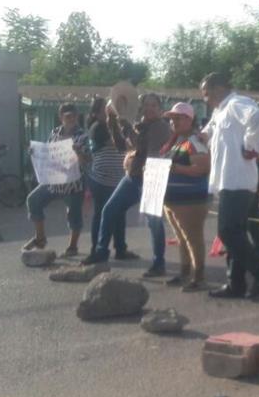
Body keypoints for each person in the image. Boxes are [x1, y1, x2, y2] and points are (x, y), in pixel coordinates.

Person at [200, 72, 259, 299]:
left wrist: (250, 147)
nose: (204, 98)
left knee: (227, 231)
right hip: (226, 180)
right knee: (236, 233)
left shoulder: (236, 103)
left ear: (218, 88)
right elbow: (210, 130)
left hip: (238, 181)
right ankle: (236, 284)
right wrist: (201, 135)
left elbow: (257, 118)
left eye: (206, 93)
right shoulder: (220, 110)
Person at [82, 93, 171, 271]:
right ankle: (101, 251)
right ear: (141, 107)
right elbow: (122, 146)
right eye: (146, 104)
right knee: (109, 210)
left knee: (154, 222)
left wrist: (123, 123)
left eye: (154, 105)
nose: (150, 108)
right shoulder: (140, 125)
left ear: (160, 109)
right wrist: (113, 121)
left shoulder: (161, 127)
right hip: (134, 176)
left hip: (153, 176)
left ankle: (158, 262)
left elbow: (143, 148)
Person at [160, 102, 212, 291]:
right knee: (181, 238)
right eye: (172, 119)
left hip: (191, 200)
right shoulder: (176, 141)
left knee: (193, 238)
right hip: (173, 200)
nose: (174, 122)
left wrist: (175, 168)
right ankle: (185, 273)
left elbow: (203, 168)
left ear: (190, 120)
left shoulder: (195, 142)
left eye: (179, 118)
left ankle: (199, 278)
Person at [22, 103, 85, 256]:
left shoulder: (82, 135)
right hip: (54, 180)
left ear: (77, 116)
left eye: (73, 115)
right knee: (33, 200)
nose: (70, 118)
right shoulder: (54, 132)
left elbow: (86, 161)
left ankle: (72, 247)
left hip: (73, 183)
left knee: (74, 214)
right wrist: (35, 153)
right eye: (67, 116)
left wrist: (78, 153)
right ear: (60, 117)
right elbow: (48, 153)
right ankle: (40, 238)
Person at [84, 97, 132, 262]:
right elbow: (119, 144)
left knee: (119, 215)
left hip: (118, 179)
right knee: (101, 215)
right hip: (102, 181)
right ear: (97, 113)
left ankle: (120, 249)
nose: (111, 111)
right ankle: (96, 250)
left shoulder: (114, 126)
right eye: (107, 109)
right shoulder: (98, 127)